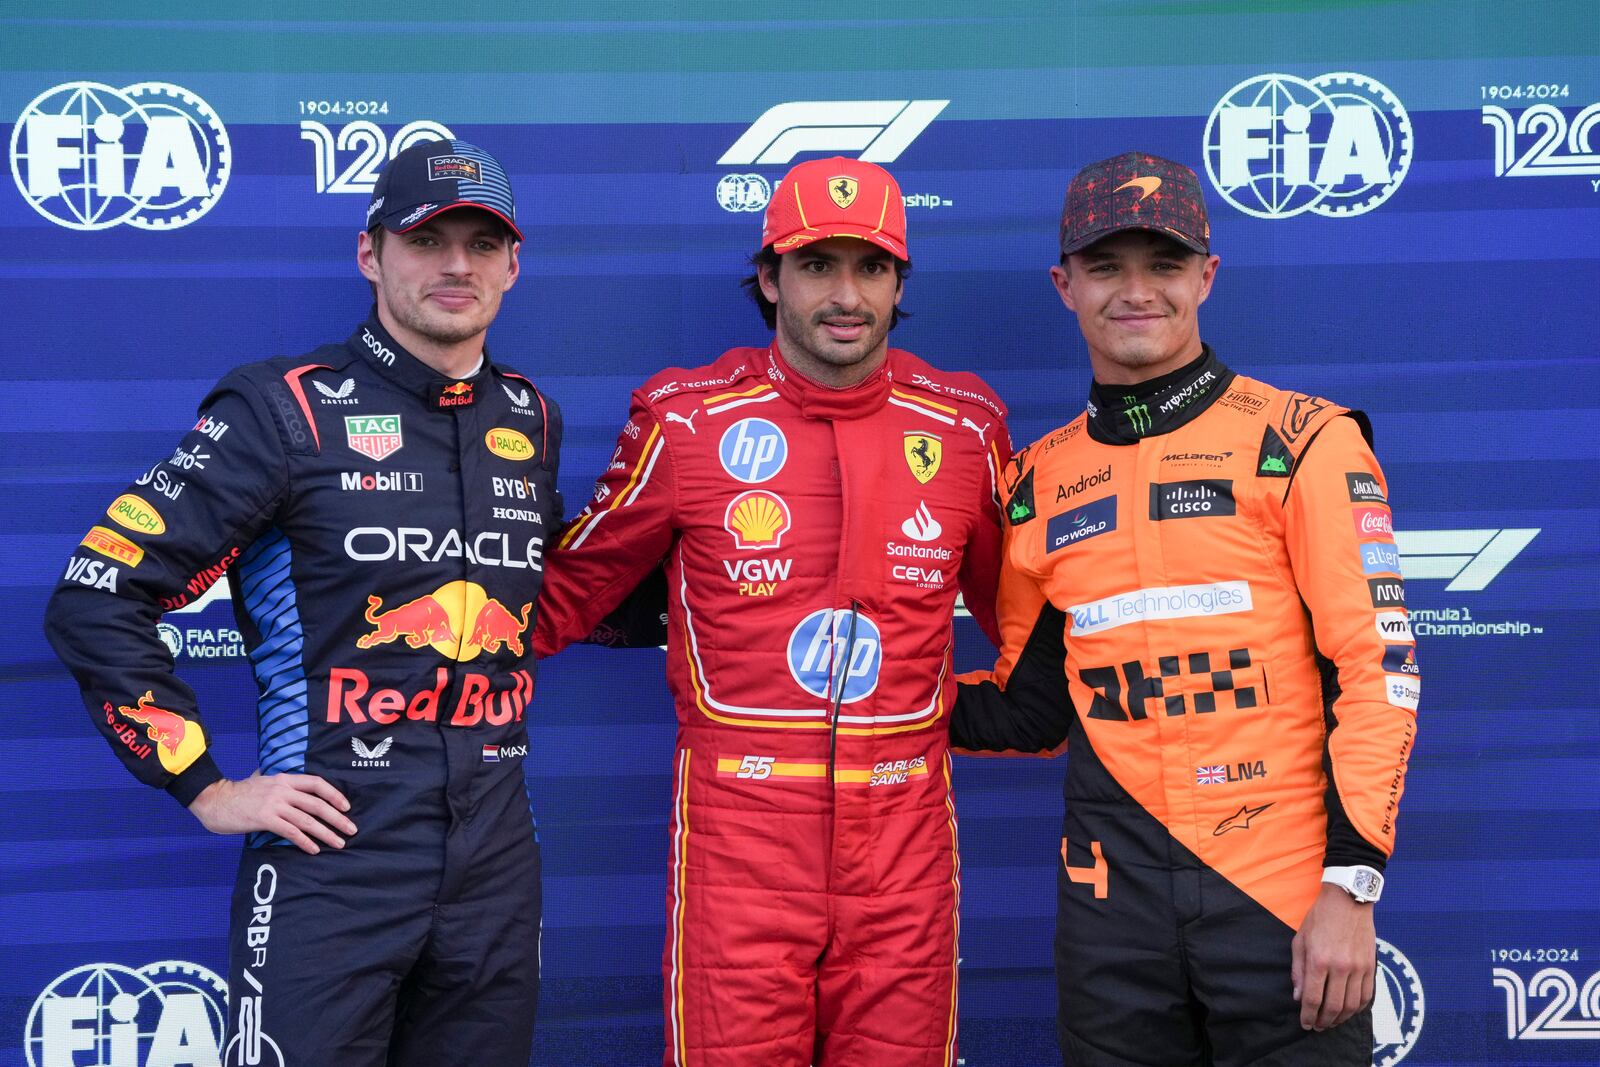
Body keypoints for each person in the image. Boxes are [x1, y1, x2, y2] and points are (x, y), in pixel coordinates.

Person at [44, 139, 558, 1066]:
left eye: (482, 243)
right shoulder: (283, 411)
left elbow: (554, 600)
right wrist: (204, 786)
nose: (456, 265)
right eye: (428, 238)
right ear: (371, 254)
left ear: (513, 265)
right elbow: (99, 594)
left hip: (495, 868)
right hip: (333, 859)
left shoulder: (528, 416)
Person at [533, 156, 1010, 1066]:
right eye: (816, 265)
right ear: (767, 277)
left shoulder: (965, 426)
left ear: (900, 281)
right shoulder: (686, 420)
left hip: (905, 835)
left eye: (871, 267)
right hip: (739, 835)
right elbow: (565, 592)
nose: (846, 294)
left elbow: (1023, 621)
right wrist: (413, 609)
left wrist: (1000, 712)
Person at [949, 151, 1418, 1066]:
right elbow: (1036, 706)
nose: (1136, 291)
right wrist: (864, 700)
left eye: (1163, 264)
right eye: (1106, 265)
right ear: (1064, 284)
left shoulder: (1304, 440)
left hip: (1281, 898)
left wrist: (1351, 888)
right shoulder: (1035, 483)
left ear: (1206, 275)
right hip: (1110, 915)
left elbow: (1378, 672)